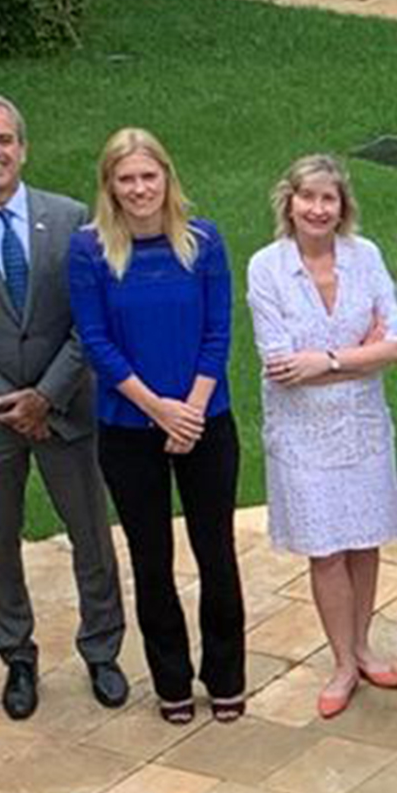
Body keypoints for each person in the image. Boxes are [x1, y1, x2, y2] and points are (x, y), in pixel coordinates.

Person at [0, 93, 126, 721]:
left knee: (92, 534)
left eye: (4, 140)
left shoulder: (69, 218)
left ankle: (102, 650)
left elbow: (88, 321)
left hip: (65, 408)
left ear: (23, 147)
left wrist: (46, 396)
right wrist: (8, 403)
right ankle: (17, 656)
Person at [66, 128, 245, 725]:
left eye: (149, 176)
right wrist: (159, 409)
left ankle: (226, 676)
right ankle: (171, 681)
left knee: (216, 553)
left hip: (205, 420)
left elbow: (218, 332)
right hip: (128, 427)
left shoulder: (204, 242)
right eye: (127, 179)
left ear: (167, 178)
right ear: (110, 186)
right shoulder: (89, 251)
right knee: (151, 559)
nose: (140, 189)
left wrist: (189, 410)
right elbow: (96, 342)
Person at [245, 155, 397, 720]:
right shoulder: (266, 267)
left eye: (329, 199)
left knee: (364, 541)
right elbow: (280, 365)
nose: (318, 209)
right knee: (327, 549)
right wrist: (361, 356)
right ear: (289, 202)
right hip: (303, 436)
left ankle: (363, 645)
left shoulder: (365, 257)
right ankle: (341, 662)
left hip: (363, 429)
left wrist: (327, 360)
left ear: (343, 206)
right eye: (308, 197)